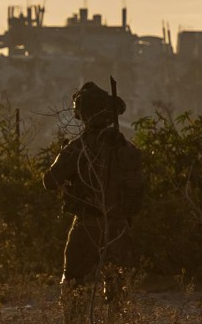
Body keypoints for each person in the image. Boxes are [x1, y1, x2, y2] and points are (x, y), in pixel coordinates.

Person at [43, 82, 145, 310]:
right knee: (118, 290)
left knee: (72, 285)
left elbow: (50, 181)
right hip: (119, 226)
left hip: (86, 226)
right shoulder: (126, 149)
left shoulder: (78, 148)